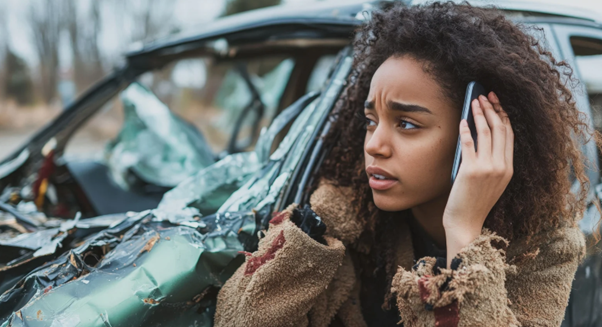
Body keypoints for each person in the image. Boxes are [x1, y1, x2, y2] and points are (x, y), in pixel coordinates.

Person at [214, 2, 596, 326]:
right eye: (370, 121)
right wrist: (309, 234)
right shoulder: (344, 214)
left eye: (407, 124)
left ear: (477, 136)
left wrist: (462, 232)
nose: (375, 145)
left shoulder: (545, 247)